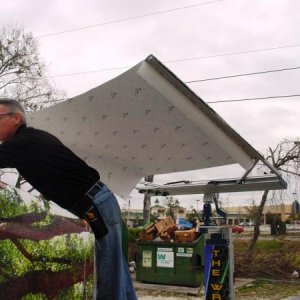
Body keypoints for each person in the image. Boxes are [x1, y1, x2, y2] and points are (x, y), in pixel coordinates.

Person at [0, 98, 137, 300]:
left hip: (93, 205)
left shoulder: (23, 143)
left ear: (16, 118)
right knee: (116, 273)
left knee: (108, 277)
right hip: (98, 200)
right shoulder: (33, 139)